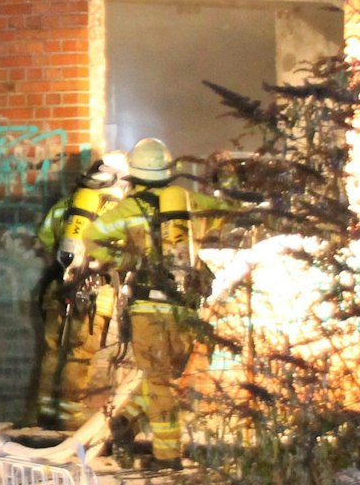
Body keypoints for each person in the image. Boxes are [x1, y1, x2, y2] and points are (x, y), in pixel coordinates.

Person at [86, 137, 228, 468]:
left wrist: (123, 260)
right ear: (169, 172)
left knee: (157, 379)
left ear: (134, 175)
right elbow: (229, 209)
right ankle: (129, 422)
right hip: (183, 308)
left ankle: (167, 456)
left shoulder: (129, 208)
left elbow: (92, 238)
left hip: (147, 308)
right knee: (163, 377)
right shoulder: (190, 203)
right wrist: (228, 179)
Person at [30, 151, 130, 429]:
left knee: (53, 351)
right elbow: (128, 249)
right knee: (78, 353)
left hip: (58, 287)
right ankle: (69, 418)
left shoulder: (68, 203)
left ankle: (46, 414)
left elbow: (45, 236)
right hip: (94, 292)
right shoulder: (117, 208)